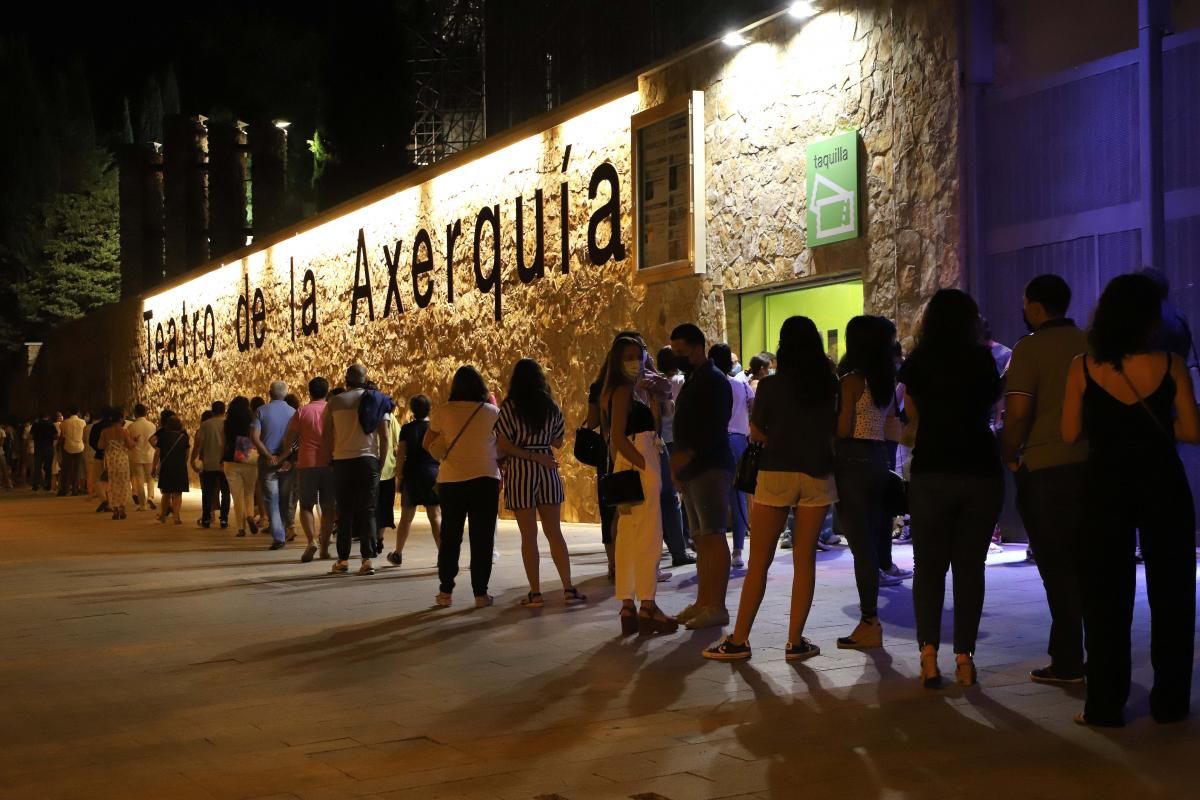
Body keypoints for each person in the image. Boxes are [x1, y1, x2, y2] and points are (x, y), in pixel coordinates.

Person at [1062, 272, 1199, 727]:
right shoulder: (1172, 363)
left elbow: (1069, 433)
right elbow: (1192, 431)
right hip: (1163, 484)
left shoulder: (1083, 366)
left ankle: (1104, 704)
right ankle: (1171, 701)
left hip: (1104, 487)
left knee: (1104, 598)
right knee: (1173, 593)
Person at [704, 316, 838, 661]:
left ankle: (739, 640)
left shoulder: (772, 386)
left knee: (760, 561)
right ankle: (795, 642)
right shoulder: (828, 384)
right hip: (818, 474)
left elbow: (757, 432)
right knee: (804, 560)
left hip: (776, 472)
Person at [899, 289, 1004, 689]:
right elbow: (992, 406)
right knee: (969, 567)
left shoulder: (919, 361)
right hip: (979, 467)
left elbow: (912, 414)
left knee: (928, 566)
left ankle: (928, 656)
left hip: (932, 469)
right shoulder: (981, 359)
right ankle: (965, 658)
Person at [998, 275, 1089, 685]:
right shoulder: (1089, 342)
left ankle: (1069, 658)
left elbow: (1017, 413)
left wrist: (1008, 453)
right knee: (1088, 564)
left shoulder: (1028, 348)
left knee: (1057, 568)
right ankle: (1092, 653)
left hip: (1046, 467)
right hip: (1090, 466)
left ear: (1035, 307)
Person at [828, 316, 902, 650]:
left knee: (861, 549)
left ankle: (869, 620)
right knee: (872, 540)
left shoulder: (852, 381)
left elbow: (843, 429)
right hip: (878, 461)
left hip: (852, 463)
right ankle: (870, 619)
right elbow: (890, 428)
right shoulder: (885, 381)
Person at [495, 358, 585, 608]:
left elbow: (503, 444)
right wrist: (539, 450)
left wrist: (528, 453)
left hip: (521, 470)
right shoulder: (551, 407)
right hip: (547, 469)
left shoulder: (509, 408)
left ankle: (535, 593)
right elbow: (557, 442)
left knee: (529, 536)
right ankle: (567, 587)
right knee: (554, 532)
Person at [603, 336, 677, 634]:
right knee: (646, 535)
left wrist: (658, 389)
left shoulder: (642, 390)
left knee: (630, 536)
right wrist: (645, 465)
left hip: (639, 457)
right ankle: (647, 604)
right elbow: (618, 436)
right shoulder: (622, 392)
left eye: (639, 354)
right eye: (629, 356)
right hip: (639, 458)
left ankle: (629, 604)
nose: (635, 361)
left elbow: (667, 411)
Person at [669, 323, 734, 631]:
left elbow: (712, 426)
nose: (678, 357)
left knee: (712, 535)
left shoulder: (714, 380)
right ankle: (703, 601)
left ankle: (716, 605)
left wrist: (686, 455)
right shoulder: (697, 379)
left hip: (709, 466)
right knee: (700, 538)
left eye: (681, 351)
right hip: (695, 468)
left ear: (698, 348)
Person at [425, 366, 500, 607]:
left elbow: (427, 442)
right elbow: (501, 446)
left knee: (450, 536)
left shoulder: (444, 411)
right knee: (482, 538)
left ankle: (445, 591)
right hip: (485, 478)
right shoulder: (492, 412)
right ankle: (480, 594)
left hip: (452, 480)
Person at [323, 365, 391, 576]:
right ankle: (367, 560)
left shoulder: (334, 402)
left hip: (343, 461)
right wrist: (379, 463)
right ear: (365, 379)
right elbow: (385, 436)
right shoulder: (378, 400)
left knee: (344, 512)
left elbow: (326, 434)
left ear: (346, 380)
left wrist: (329, 458)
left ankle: (342, 560)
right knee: (369, 510)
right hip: (368, 460)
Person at [709, 343, 753, 570]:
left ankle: (717, 551)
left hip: (718, 441)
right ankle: (737, 550)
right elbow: (753, 408)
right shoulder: (741, 385)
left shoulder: (712, 385)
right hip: (739, 441)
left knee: (717, 497)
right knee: (738, 498)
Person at [283, 378, 335, 562]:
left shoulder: (302, 411)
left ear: (309, 392)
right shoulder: (332, 410)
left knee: (306, 505)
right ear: (327, 391)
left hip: (307, 463)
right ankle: (325, 547)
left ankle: (312, 540)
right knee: (329, 507)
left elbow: (290, 438)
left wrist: (284, 454)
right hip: (329, 463)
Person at [388, 394, 441, 565]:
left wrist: (399, 476)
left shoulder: (407, 429)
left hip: (412, 474)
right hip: (432, 473)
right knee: (435, 516)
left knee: (406, 517)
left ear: (412, 409)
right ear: (429, 409)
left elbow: (402, 454)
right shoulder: (434, 428)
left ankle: (398, 553)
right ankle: (443, 554)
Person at [656, 346, 695, 563]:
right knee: (680, 492)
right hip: (677, 440)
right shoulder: (681, 381)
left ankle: (674, 541)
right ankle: (684, 539)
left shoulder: (657, 383)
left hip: (662, 440)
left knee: (668, 493)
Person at [253, 381, 298, 551]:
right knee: (285, 498)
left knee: (271, 499)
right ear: (286, 394)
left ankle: (278, 536)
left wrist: (269, 456)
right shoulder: (294, 412)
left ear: (269, 393)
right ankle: (285, 529)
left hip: (267, 461)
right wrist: (285, 457)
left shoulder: (261, 411)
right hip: (287, 461)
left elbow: (254, 437)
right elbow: (296, 440)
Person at [221, 396, 260, 538]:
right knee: (249, 492)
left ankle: (241, 528)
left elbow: (223, 443)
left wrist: (221, 458)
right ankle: (250, 515)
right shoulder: (253, 421)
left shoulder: (227, 423)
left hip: (231, 461)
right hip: (249, 459)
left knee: (237, 496)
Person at [191, 401, 231, 529]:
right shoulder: (228, 424)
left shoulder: (205, 425)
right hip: (225, 464)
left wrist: (193, 459)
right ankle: (224, 519)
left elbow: (198, 443)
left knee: (207, 492)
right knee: (225, 492)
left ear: (212, 411)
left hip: (208, 463)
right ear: (224, 410)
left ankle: (206, 518)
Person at [98, 408, 136, 519]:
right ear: (120, 419)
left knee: (112, 484)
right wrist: (134, 441)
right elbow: (130, 445)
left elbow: (100, 446)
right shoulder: (124, 431)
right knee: (123, 483)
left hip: (111, 460)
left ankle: (115, 510)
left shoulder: (105, 431)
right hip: (122, 459)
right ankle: (122, 509)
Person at [153, 414, 190, 524]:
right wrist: (182, 463)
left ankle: (163, 516)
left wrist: (154, 467)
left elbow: (157, 453)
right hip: (179, 467)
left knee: (166, 493)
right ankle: (176, 517)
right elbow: (187, 454)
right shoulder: (184, 437)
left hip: (166, 467)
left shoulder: (163, 436)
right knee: (178, 493)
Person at [376, 399, 400, 560]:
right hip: (388, 470)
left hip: (371, 468)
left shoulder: (366, 415)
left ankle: (372, 538)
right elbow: (397, 440)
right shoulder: (391, 418)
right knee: (384, 506)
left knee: (371, 507)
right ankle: (379, 538)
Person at [124, 405, 157, 511]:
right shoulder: (152, 425)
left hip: (136, 455)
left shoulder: (131, 427)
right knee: (150, 477)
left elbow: (129, 442)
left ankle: (142, 504)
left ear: (135, 413)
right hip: (149, 455)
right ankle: (151, 497)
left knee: (139, 479)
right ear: (145, 413)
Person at [57, 407, 86, 496]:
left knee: (66, 469)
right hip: (79, 447)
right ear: (78, 413)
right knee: (77, 470)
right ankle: (75, 490)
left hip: (68, 447)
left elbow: (62, 436)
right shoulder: (83, 422)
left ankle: (64, 490)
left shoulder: (64, 423)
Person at [29, 413, 57, 491]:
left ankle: (36, 485)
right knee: (48, 467)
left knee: (37, 467)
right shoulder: (51, 424)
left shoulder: (36, 424)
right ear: (47, 417)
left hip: (38, 448)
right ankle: (48, 485)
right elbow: (56, 436)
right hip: (48, 448)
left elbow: (31, 436)